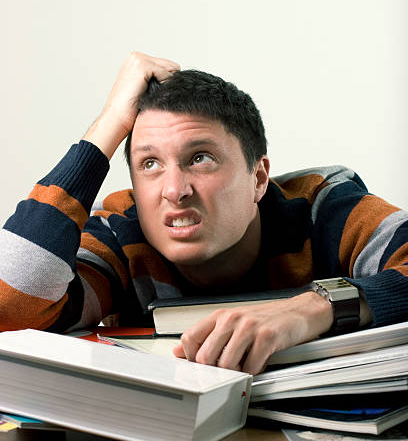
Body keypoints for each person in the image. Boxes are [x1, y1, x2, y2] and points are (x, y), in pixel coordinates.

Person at [0, 51, 407, 375]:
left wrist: (313, 307)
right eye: (150, 164)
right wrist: (109, 125)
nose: (175, 191)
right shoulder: (121, 235)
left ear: (258, 178)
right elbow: (11, 309)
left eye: (201, 158)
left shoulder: (325, 211)